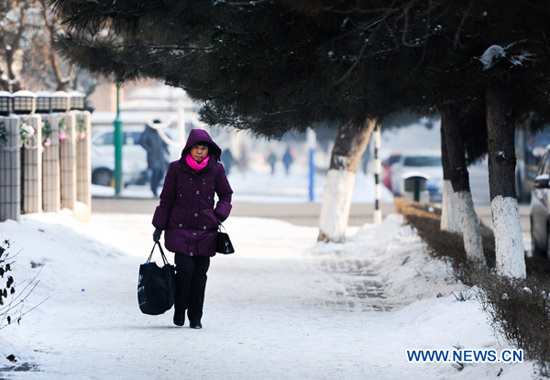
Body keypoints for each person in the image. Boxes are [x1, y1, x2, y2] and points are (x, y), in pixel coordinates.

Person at [151, 129, 233, 329]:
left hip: (206, 231)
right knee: (185, 271)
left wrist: (218, 215)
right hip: (179, 229)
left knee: (200, 275)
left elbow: (226, 195)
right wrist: (159, 226)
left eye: (203, 148)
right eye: (196, 147)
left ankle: (195, 317)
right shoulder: (176, 169)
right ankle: (180, 310)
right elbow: (167, 199)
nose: (199, 152)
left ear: (208, 150)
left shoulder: (216, 170)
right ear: (189, 148)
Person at [139, 121, 169, 196]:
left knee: (161, 173)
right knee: (155, 172)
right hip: (153, 156)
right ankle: (154, 189)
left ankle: (154, 187)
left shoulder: (160, 133)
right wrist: (150, 150)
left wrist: (166, 151)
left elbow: (164, 143)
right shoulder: (148, 133)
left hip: (160, 156)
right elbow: (142, 142)